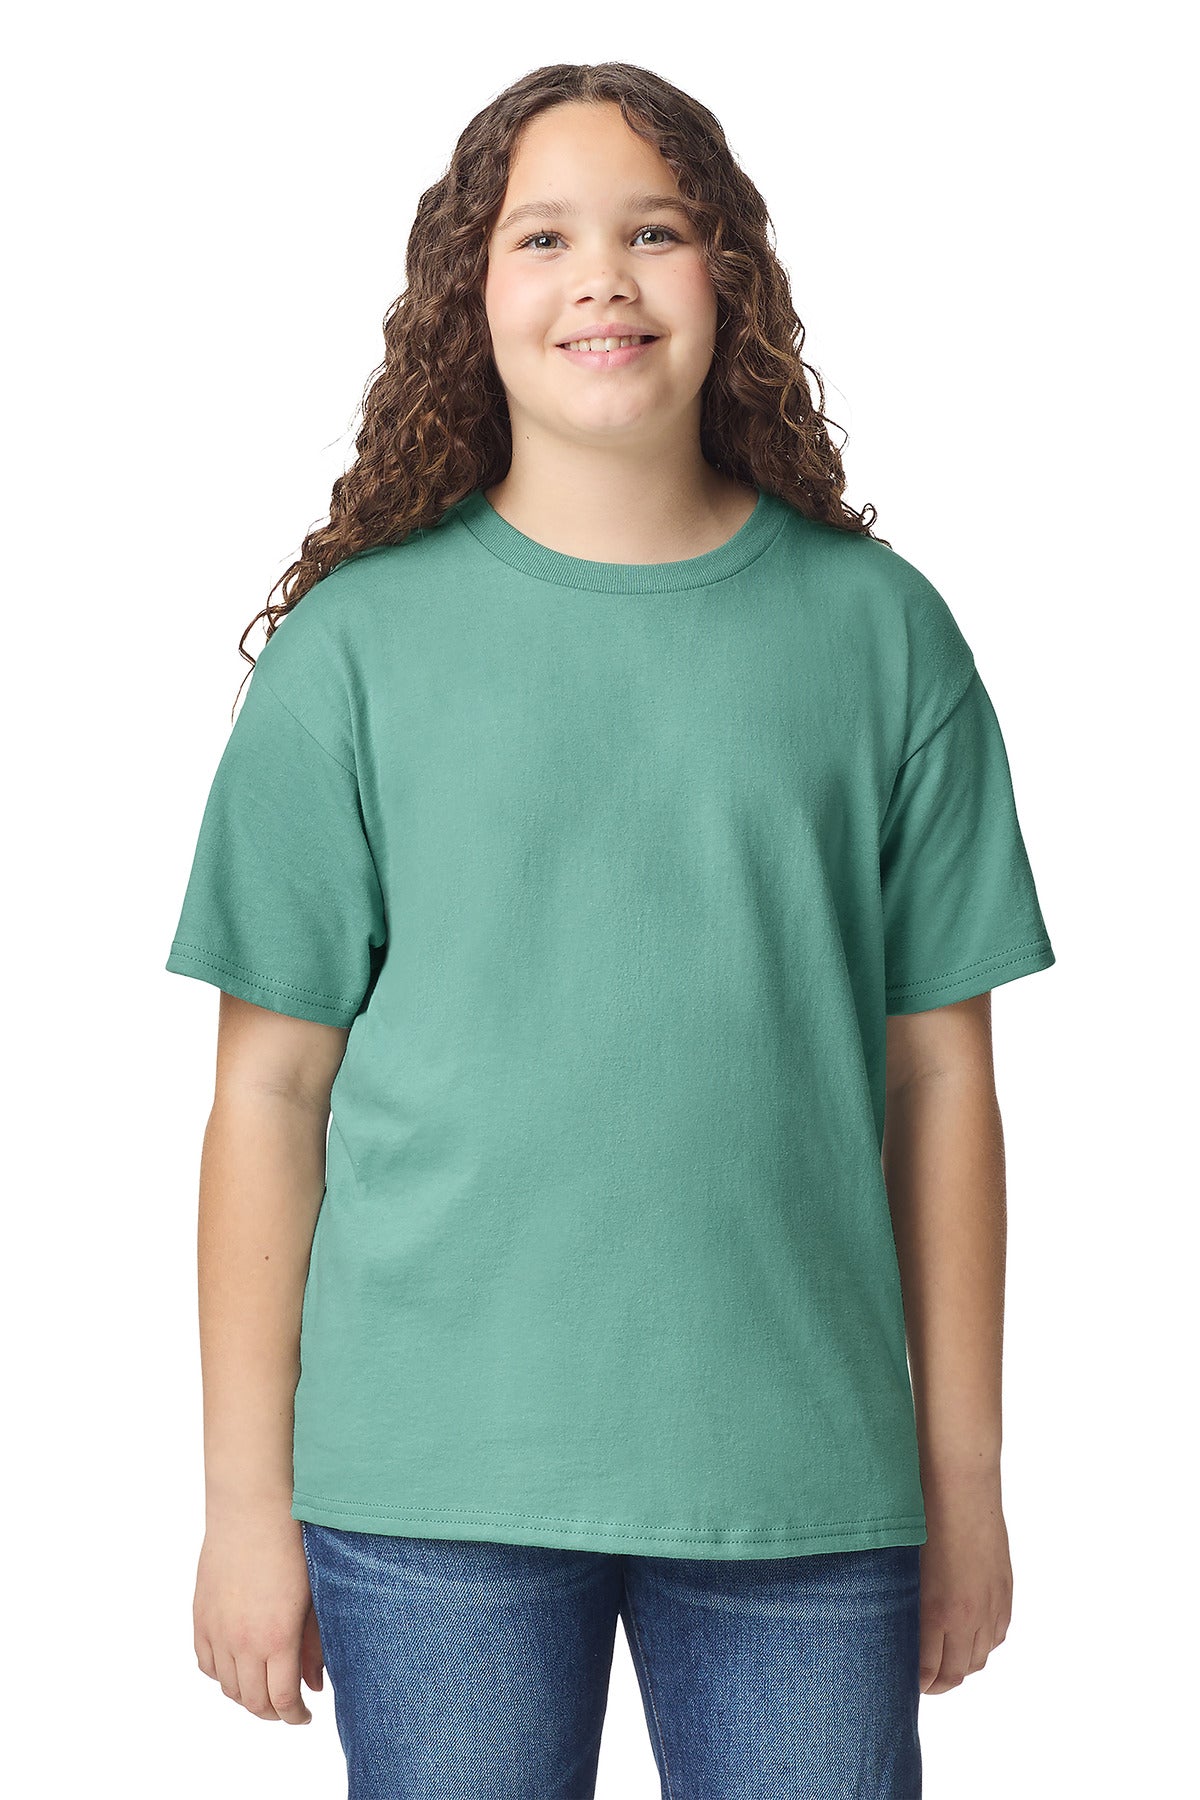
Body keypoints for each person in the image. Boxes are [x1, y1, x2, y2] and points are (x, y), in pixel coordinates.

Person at [165, 61, 1057, 1800]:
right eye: (545, 237)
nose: (603, 279)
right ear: (468, 294)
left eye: (656, 231)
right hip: (433, 1484)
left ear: (730, 276)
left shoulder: (881, 635)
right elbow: (267, 1095)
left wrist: (965, 1478)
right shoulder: (355, 652)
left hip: (803, 1484)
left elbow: (942, 1081)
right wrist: (241, 1504)